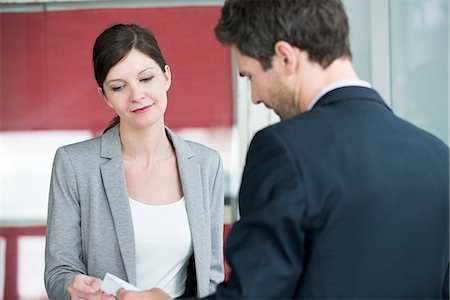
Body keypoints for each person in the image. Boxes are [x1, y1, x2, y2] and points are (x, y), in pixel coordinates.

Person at [117, 0, 450, 299]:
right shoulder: (438, 156)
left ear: (285, 57)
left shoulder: (283, 149)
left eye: (250, 76)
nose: (255, 97)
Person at [44, 23, 224, 300]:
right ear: (105, 96)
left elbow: (211, 277)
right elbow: (59, 272)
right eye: (119, 87)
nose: (137, 95)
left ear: (166, 77)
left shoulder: (205, 164)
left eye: (146, 79)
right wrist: (71, 288)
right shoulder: (74, 164)